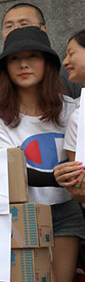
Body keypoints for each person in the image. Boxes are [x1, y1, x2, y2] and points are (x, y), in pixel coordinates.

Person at [0, 26, 85, 282]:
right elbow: (4, 169)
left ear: (48, 64)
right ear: (5, 68)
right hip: (20, 215)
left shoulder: (71, 108)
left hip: (65, 212)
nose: (24, 64)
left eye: (33, 56)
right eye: (15, 59)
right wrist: (57, 176)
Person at [0, 3, 80, 97]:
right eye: (9, 26)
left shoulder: (72, 73)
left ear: (43, 30)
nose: (16, 30)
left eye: (24, 24)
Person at [55, 30, 85, 202]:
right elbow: (78, 192)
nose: (65, 62)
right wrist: (70, 180)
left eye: (71, 53)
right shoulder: (77, 117)